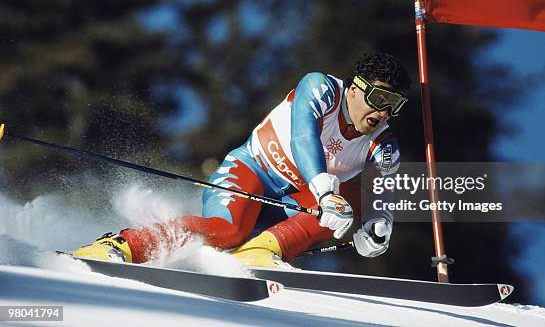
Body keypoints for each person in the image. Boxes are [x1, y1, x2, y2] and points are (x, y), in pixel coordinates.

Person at [72, 51, 410, 267]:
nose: (382, 112)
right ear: (354, 88)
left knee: (352, 202)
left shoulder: (383, 144)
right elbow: (303, 136)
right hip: (251, 174)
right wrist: (324, 191)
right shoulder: (321, 88)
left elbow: (382, 192)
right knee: (228, 231)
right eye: (379, 98)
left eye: (393, 105)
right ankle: (124, 244)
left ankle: (262, 251)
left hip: (291, 207)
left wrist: (379, 226)